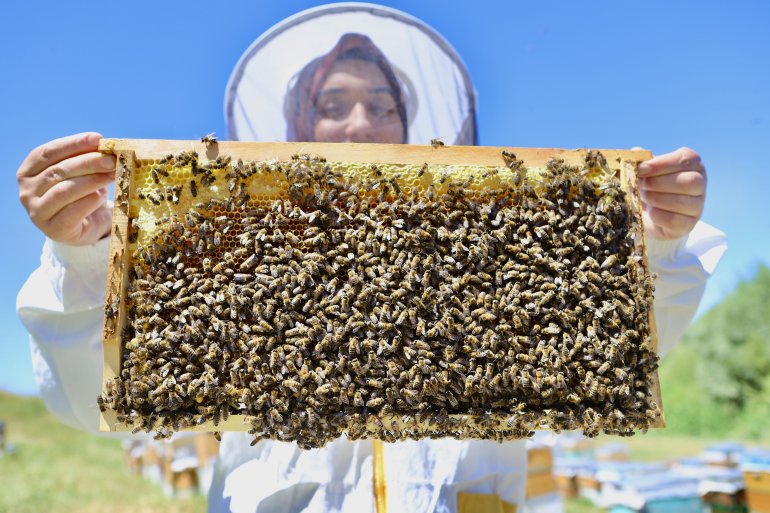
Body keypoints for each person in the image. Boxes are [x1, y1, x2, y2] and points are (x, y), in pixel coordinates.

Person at [15, 4, 726, 513]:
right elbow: (88, 397)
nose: (359, 122)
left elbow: (614, 350)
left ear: (410, 126)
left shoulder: (479, 254)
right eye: (335, 102)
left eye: (381, 104)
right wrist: (84, 262)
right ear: (299, 124)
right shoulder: (227, 255)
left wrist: (658, 243)